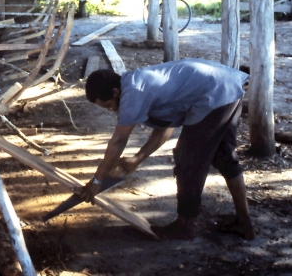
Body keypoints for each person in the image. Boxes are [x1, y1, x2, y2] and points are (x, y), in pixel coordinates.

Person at [80, 59, 255, 241]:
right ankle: (245, 223)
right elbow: (164, 129)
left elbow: (118, 141)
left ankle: (184, 226)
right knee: (224, 157)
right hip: (227, 86)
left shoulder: (133, 92)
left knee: (187, 160)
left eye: (108, 104)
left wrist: (96, 180)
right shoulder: (138, 84)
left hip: (216, 93)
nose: (110, 110)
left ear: (115, 92)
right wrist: (138, 158)